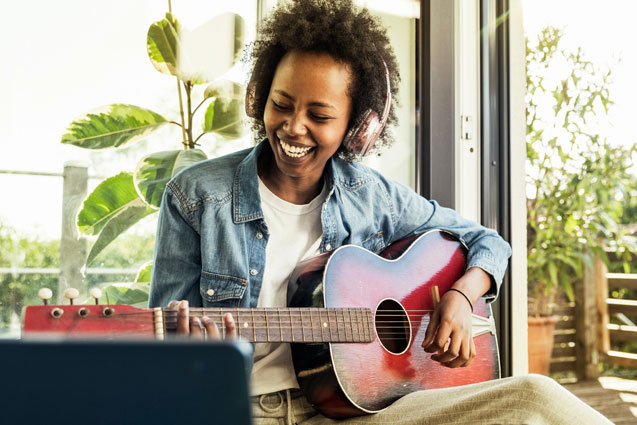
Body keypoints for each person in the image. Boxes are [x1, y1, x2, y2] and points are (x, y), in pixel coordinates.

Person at [149, 1, 612, 424]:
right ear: (259, 98)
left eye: (320, 115)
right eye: (281, 105)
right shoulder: (195, 196)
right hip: (238, 411)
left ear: (358, 126)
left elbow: (489, 243)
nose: (294, 127)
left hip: (352, 414)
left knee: (532, 397)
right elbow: (162, 340)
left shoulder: (371, 196)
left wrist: (461, 297)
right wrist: (190, 350)